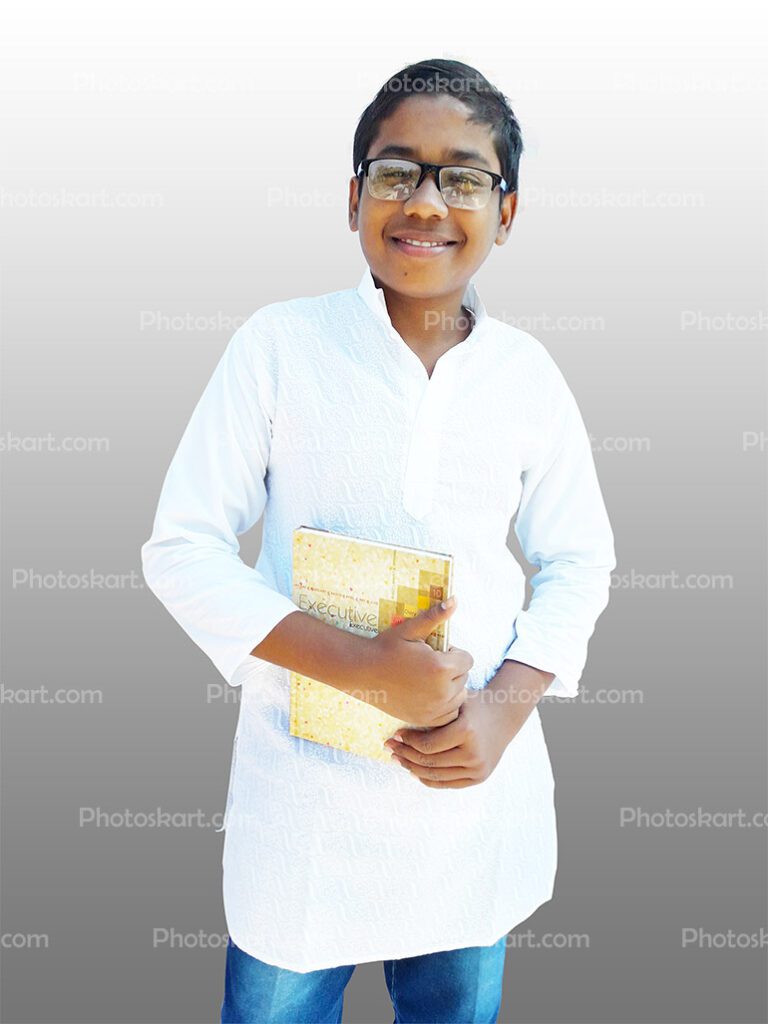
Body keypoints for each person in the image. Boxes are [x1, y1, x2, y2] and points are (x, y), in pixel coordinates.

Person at [141, 57, 616, 1024]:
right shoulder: (279, 348)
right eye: (398, 172)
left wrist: (505, 712)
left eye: (464, 177)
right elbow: (180, 547)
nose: (427, 202)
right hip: (306, 813)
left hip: (469, 802)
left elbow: (581, 560)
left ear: (508, 210)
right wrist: (361, 666)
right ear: (354, 195)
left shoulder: (527, 376)